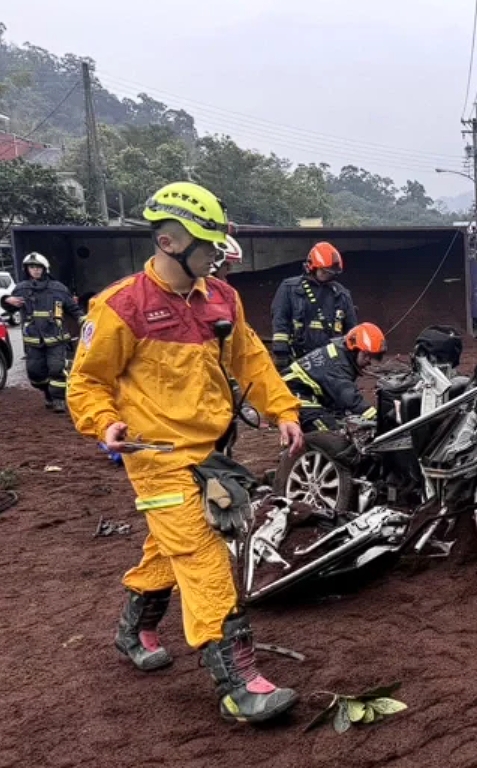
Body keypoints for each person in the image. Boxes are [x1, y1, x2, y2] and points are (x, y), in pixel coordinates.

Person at [67, 181, 306, 726]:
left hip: (211, 453)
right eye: (208, 244)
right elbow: (85, 384)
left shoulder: (222, 297)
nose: (218, 254)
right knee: (201, 551)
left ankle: (134, 627)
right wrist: (105, 424)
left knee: (168, 546)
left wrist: (283, 411)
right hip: (155, 457)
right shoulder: (120, 307)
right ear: (171, 241)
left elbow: (251, 359)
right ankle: (238, 685)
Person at [1, 252, 84, 412]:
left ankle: (59, 399)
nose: (36, 270)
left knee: (56, 369)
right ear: (27, 270)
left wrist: (84, 320)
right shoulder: (21, 289)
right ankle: (47, 393)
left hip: (56, 338)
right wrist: (6, 301)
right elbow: (10, 307)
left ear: (45, 269)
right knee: (35, 373)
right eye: (32, 267)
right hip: (33, 340)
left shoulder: (58, 288)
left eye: (39, 267)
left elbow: (73, 309)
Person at [282, 322, 385, 433]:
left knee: (339, 419)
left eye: (375, 357)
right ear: (354, 350)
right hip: (292, 395)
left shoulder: (340, 355)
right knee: (332, 434)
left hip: (305, 393)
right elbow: (349, 397)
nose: (369, 361)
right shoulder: (338, 364)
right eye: (366, 355)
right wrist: (377, 418)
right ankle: (305, 446)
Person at [270, 241, 358, 369]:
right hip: (297, 357)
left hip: (330, 360)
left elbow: (351, 329)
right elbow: (280, 319)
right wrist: (280, 352)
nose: (327, 276)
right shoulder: (290, 288)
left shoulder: (341, 294)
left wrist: (352, 357)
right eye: (324, 272)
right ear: (312, 267)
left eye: (331, 273)